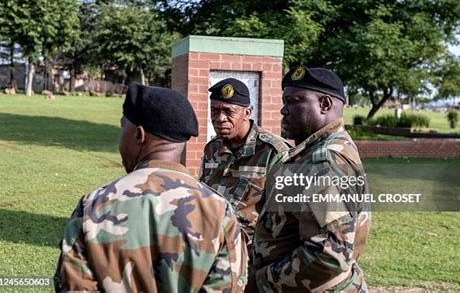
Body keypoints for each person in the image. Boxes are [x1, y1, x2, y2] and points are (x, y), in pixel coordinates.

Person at [54, 83, 248, 292]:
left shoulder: (93, 205)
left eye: (123, 128)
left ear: (139, 135)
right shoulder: (220, 212)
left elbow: (72, 286)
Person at [252, 66, 371, 292]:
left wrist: (260, 282)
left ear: (324, 104)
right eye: (284, 102)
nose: (283, 110)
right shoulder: (318, 150)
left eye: (293, 101)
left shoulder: (324, 161)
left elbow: (330, 253)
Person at [199, 78, 291, 249]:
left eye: (229, 111)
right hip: (212, 247)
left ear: (247, 113)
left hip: (253, 253)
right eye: (214, 111)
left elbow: (287, 218)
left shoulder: (274, 152)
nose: (220, 118)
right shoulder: (212, 149)